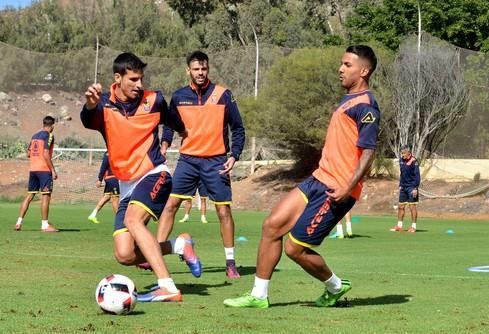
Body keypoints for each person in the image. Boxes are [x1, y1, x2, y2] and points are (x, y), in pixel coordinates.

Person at [224, 45, 380, 308]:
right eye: (341, 64)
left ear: (364, 71)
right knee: (271, 226)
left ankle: (335, 286)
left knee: (295, 249)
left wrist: (348, 187)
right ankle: (258, 296)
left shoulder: (366, 106)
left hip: (337, 190)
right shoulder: (347, 100)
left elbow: (368, 153)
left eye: (347, 65)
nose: (340, 69)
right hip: (318, 179)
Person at [80, 52, 202, 303]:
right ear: (118, 78)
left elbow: (171, 118)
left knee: (134, 220)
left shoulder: (154, 100)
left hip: (154, 173)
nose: (139, 85)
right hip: (126, 186)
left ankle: (167, 286)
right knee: (124, 254)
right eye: (133, 79)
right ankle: (178, 246)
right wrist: (90, 104)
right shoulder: (103, 106)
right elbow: (87, 119)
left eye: (141, 79)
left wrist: (182, 131)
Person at [158, 50, 245, 280]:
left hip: (216, 161)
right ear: (188, 70)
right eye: (196, 69)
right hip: (188, 160)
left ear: (208, 69)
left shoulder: (223, 95)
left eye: (204, 69)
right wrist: (165, 143)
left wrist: (234, 155)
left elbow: (238, 128)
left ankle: (230, 263)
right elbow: (169, 124)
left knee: (223, 210)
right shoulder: (178, 96)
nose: (200, 73)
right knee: (170, 206)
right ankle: (154, 255)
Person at [15, 116, 59, 232]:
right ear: (52, 125)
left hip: (33, 169)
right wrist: (53, 170)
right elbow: (45, 154)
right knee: (46, 196)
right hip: (44, 170)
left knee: (30, 196)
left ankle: (19, 222)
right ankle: (45, 225)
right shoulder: (49, 136)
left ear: (43, 124)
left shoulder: (34, 136)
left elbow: (28, 154)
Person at [390, 146, 420, 233]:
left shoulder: (414, 161)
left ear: (408, 152)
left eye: (404, 153)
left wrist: (415, 188)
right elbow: (402, 173)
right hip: (403, 187)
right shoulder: (401, 160)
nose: (402, 155)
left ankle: (413, 226)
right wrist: (400, 185)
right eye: (401, 153)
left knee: (412, 207)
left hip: (412, 187)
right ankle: (399, 226)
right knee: (401, 206)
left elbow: (417, 176)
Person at [88, 152, 120, 223]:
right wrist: (100, 179)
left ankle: (93, 214)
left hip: (114, 178)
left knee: (107, 196)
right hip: (112, 178)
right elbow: (103, 166)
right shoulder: (109, 154)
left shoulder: (118, 152)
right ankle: (120, 219)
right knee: (115, 198)